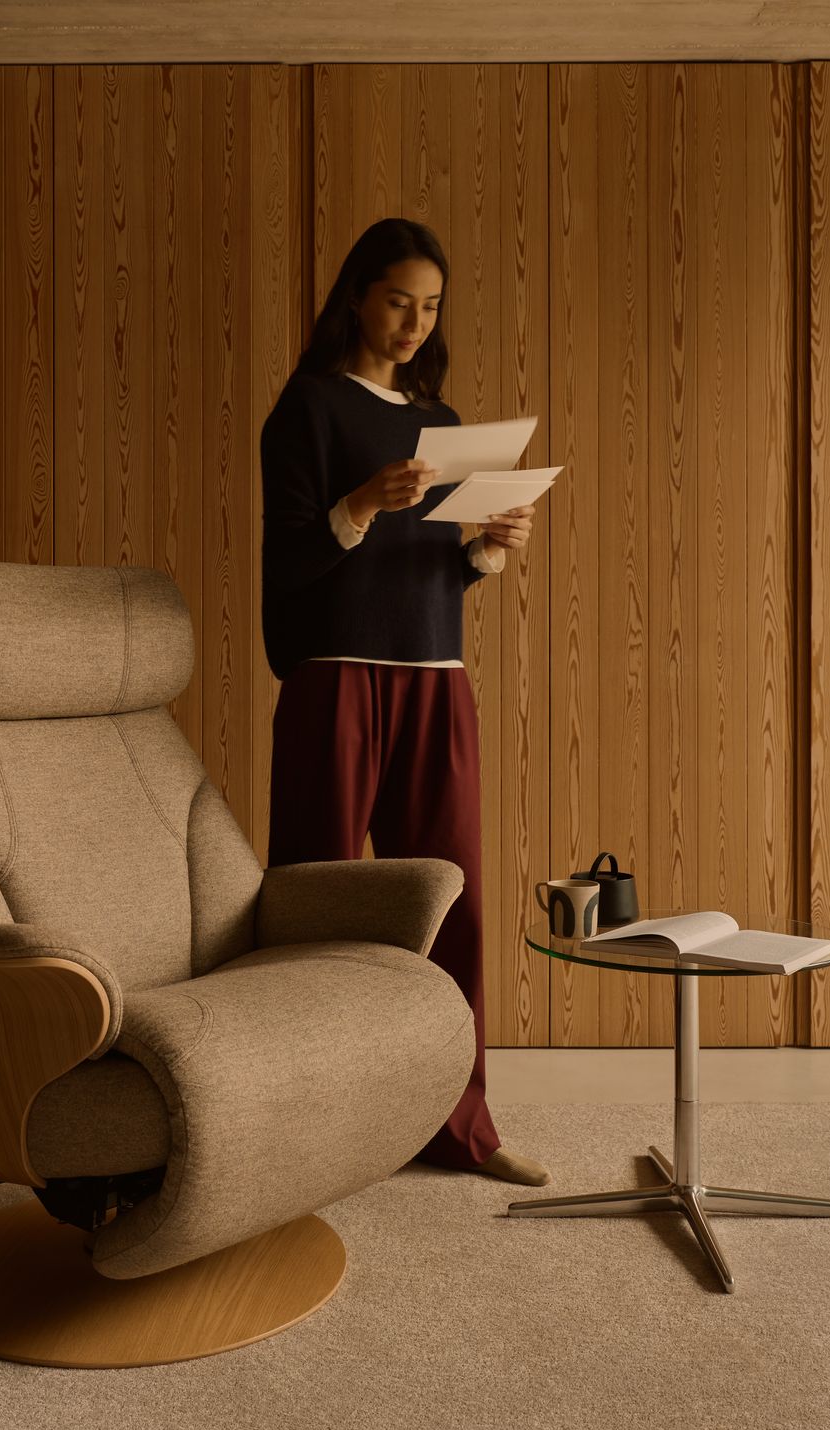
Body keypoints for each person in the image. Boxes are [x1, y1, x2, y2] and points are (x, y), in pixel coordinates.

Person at [258, 217, 547, 1186]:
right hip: (333, 680)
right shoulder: (308, 408)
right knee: (321, 911)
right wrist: (361, 505)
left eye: (430, 307)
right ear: (356, 297)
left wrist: (485, 549)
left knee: (451, 907)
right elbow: (291, 561)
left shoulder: (441, 420)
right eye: (399, 300)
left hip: (436, 681)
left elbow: (423, 575)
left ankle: (463, 1127)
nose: (416, 322)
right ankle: (312, 1133)